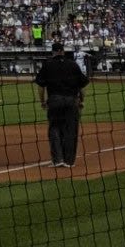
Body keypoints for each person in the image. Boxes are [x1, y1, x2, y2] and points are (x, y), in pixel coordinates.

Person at [33, 40, 90, 168]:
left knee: (54, 129)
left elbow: (40, 87)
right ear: (63, 51)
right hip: (71, 101)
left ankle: (57, 160)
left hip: (54, 101)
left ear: (53, 52)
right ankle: (69, 161)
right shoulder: (73, 64)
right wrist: (82, 100)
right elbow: (82, 86)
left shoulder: (47, 65)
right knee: (71, 130)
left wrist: (42, 102)